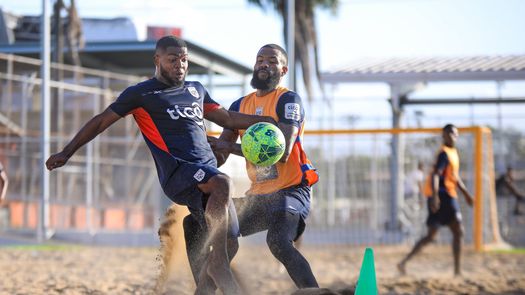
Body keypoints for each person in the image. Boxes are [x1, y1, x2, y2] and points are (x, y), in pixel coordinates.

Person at [45, 35, 276, 295]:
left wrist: (268, 120)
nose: (180, 65)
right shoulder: (141, 93)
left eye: (184, 59)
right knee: (223, 183)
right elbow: (101, 121)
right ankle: (219, 267)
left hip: (206, 174)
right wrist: (67, 151)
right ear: (157, 60)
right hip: (178, 172)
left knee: (230, 241)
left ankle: (204, 285)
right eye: (173, 59)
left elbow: (227, 118)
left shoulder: (196, 90)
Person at [183, 43, 320, 292]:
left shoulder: (288, 99)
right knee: (194, 223)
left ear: (283, 69)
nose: (264, 64)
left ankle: (313, 291)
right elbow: (221, 153)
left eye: (271, 60)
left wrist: (230, 148)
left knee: (278, 241)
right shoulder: (239, 105)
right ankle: (204, 290)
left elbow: (283, 151)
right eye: (259, 59)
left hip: (290, 191)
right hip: (259, 197)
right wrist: (204, 152)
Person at [397, 124, 473, 276]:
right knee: (457, 231)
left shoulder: (453, 153)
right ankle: (457, 271)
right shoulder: (443, 154)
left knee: (432, 235)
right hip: (443, 196)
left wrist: (465, 193)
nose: (454, 136)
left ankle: (403, 263)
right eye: (452, 133)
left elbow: (454, 176)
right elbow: (436, 175)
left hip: (447, 195)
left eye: (456, 134)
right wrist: (435, 197)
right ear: (444, 135)